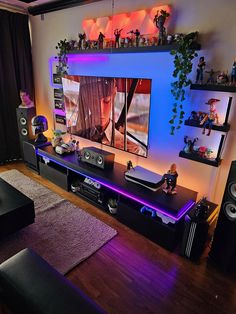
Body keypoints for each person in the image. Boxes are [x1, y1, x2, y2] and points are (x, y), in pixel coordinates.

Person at [69, 76, 147, 156]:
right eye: (94, 101)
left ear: (114, 95)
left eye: (106, 100)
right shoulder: (70, 135)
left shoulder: (132, 150)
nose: (101, 110)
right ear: (85, 98)